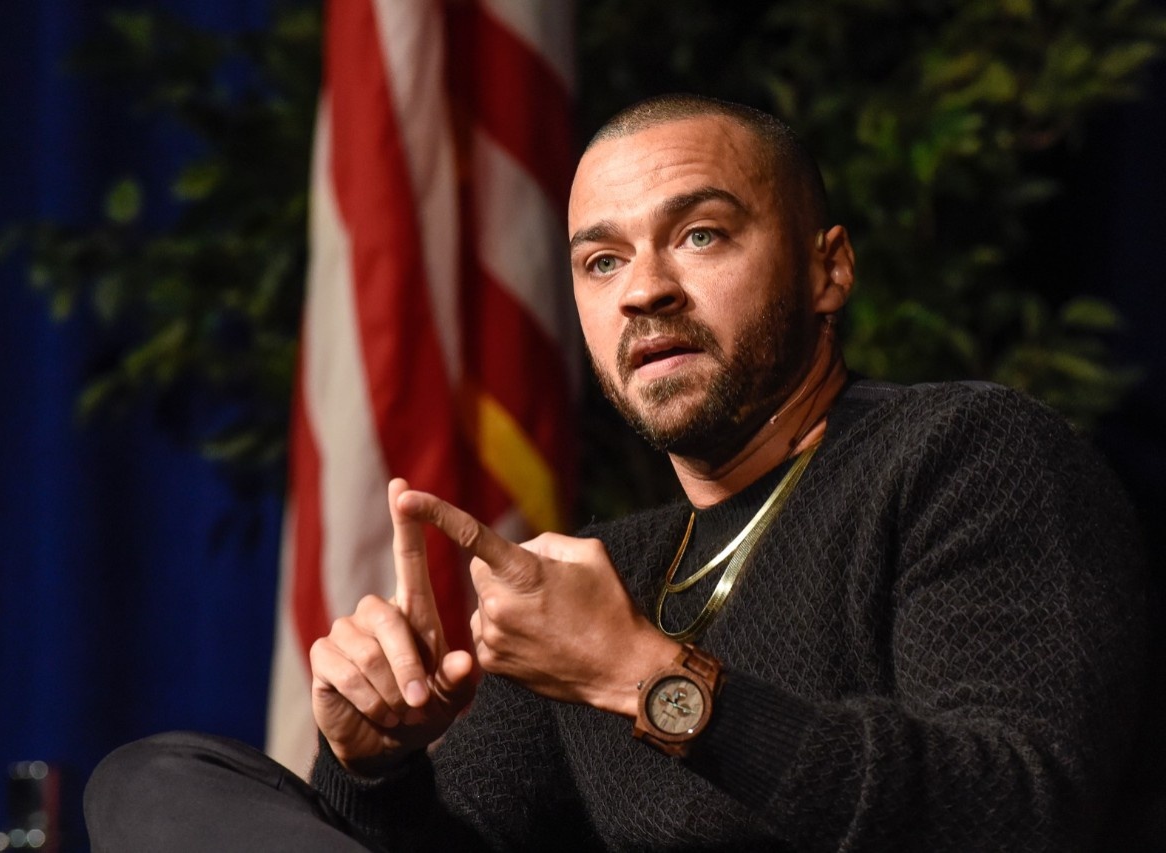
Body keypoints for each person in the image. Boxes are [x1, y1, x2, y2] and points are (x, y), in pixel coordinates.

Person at [85, 94, 1147, 851]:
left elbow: (1017, 811)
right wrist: (378, 764)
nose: (644, 290)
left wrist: (639, 676)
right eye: (602, 260)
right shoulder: (603, 572)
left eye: (699, 235)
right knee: (157, 779)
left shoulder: (966, 453)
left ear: (828, 268)